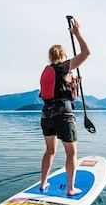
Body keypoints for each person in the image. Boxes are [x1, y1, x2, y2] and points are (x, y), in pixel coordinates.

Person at [39, 19, 90, 196]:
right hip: (63, 117)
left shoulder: (47, 70)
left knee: (50, 151)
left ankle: (43, 183)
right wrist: (77, 34)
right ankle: (70, 189)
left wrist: (74, 83)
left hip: (46, 117)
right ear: (62, 55)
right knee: (71, 153)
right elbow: (86, 53)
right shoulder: (63, 67)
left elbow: (63, 90)